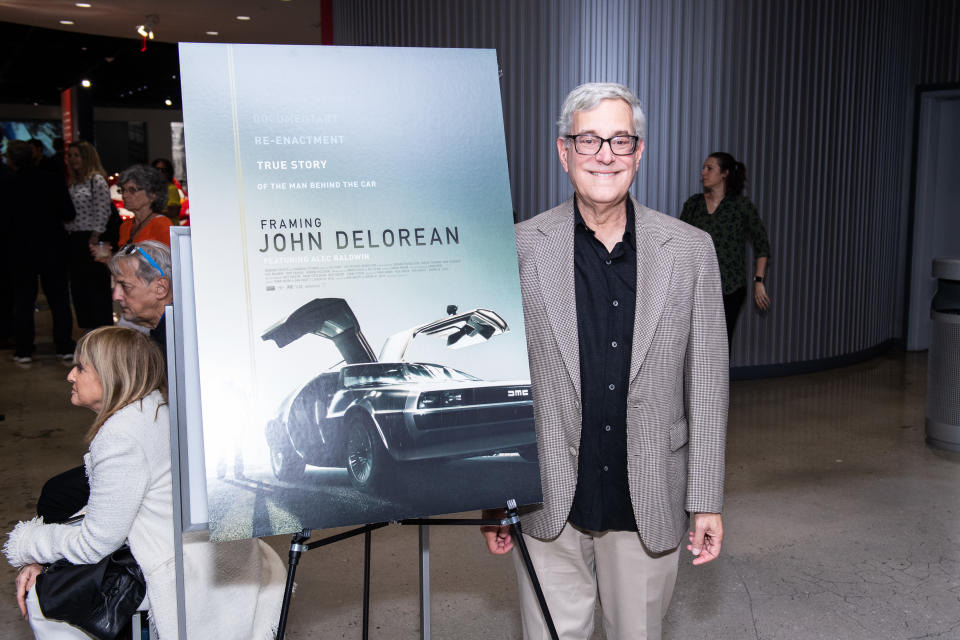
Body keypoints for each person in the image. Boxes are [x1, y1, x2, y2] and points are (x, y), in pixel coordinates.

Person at [481, 83, 728, 639]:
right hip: (547, 502)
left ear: (639, 152)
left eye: (620, 140)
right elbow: (499, 385)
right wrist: (494, 496)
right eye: (588, 139)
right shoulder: (518, 249)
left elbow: (708, 386)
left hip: (647, 499)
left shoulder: (690, 251)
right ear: (563, 152)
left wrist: (706, 500)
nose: (604, 154)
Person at [4, 326, 286, 638]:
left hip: (180, 567)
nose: (71, 375)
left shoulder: (121, 436)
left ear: (111, 375)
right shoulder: (156, 407)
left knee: (43, 601)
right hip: (214, 552)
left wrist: (27, 545)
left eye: (81, 367)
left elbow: (93, 545)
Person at [680, 152, 771, 346]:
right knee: (694, 344)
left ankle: (718, 378)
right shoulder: (693, 205)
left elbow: (762, 244)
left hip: (730, 288)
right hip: (697, 287)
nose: (703, 172)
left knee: (720, 344)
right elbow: (681, 243)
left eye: (709, 168)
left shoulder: (741, 206)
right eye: (704, 168)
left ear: (724, 174)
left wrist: (759, 281)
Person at [1, 140, 77, 363]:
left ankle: (24, 349)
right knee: (59, 299)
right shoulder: (52, 179)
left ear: (11, 160)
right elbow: (68, 213)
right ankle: (64, 345)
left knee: (23, 300)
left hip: (20, 250)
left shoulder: (8, 184)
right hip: (52, 247)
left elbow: (3, 223)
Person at [65, 141, 114, 329]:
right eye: (70, 155)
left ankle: (102, 331)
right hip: (74, 239)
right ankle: (88, 330)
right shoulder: (74, 182)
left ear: (86, 157)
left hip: (92, 239)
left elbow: (103, 210)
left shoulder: (97, 180)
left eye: (76, 155)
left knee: (95, 288)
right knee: (79, 289)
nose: (72, 159)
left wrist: (95, 236)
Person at [110, 164, 173, 250]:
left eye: (132, 190)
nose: (124, 195)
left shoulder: (162, 225)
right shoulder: (125, 226)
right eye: (123, 190)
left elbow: (164, 262)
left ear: (152, 194)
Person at [151, 158, 183, 222]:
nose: (159, 173)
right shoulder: (152, 189)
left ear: (168, 173)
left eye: (163, 170)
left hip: (169, 228)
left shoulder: (171, 189)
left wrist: (151, 211)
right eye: (157, 170)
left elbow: (174, 212)